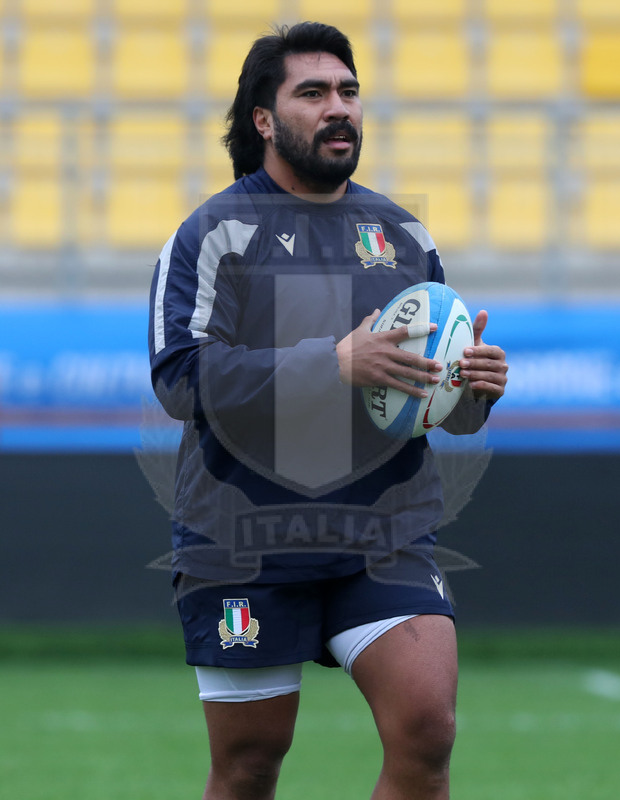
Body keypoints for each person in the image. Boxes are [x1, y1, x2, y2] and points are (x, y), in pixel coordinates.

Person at [148, 21, 507, 800]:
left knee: (426, 733)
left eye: (347, 90)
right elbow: (180, 379)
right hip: (247, 539)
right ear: (265, 120)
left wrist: (469, 390)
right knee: (248, 767)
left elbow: (440, 410)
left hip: (385, 530)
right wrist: (333, 364)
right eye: (311, 92)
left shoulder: (406, 236)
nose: (336, 106)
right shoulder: (213, 233)